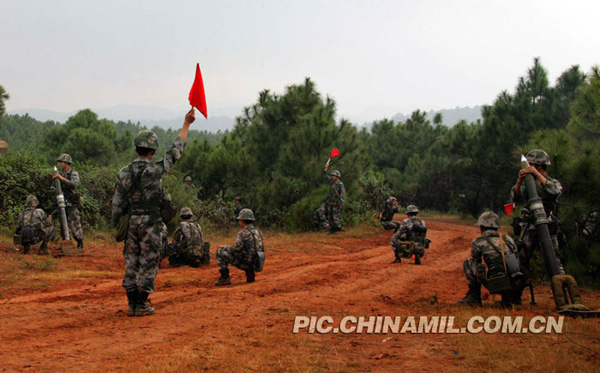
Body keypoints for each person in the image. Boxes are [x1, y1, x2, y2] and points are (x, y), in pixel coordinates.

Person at [111, 108, 195, 317]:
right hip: (152, 224)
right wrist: (186, 124)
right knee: (149, 262)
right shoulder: (155, 170)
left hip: (131, 223)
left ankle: (132, 303)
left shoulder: (123, 173)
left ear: (136, 148)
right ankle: (141, 304)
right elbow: (176, 151)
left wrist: (117, 225)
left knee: (131, 261)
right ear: (152, 151)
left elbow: (117, 204)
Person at [510, 149, 566, 275]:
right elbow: (516, 198)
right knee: (521, 261)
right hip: (529, 226)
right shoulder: (527, 183)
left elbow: (555, 192)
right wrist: (519, 182)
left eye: (531, 165)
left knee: (554, 261)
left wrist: (537, 174)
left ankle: (561, 289)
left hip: (547, 224)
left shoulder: (552, 182)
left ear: (539, 166)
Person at [457, 211, 524, 307]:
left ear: (481, 227)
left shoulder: (478, 242)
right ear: (497, 227)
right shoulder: (508, 239)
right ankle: (513, 298)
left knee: (469, 262)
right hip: (513, 283)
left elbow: (476, 261)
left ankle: (474, 297)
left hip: (493, 283)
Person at [215, 208, 264, 286]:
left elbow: (236, 249)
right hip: (256, 263)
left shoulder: (243, 232)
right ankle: (250, 272)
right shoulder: (258, 231)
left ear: (242, 220)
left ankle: (225, 278)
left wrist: (225, 247)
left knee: (220, 251)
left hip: (245, 262)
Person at [52, 153, 84, 252]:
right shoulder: (59, 174)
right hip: (62, 201)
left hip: (71, 202)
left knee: (75, 222)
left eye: (62, 162)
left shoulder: (73, 173)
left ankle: (79, 243)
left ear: (67, 163)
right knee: (63, 223)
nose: (60, 164)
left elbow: (74, 184)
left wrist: (62, 179)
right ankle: (66, 242)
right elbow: (53, 187)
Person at [322, 164, 345, 234]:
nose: (332, 177)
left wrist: (341, 203)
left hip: (336, 203)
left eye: (333, 176)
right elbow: (325, 177)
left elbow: (342, 194)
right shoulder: (332, 182)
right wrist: (325, 169)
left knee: (335, 216)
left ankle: (337, 229)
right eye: (332, 175)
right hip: (330, 202)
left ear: (337, 176)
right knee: (330, 216)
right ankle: (332, 229)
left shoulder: (340, 184)